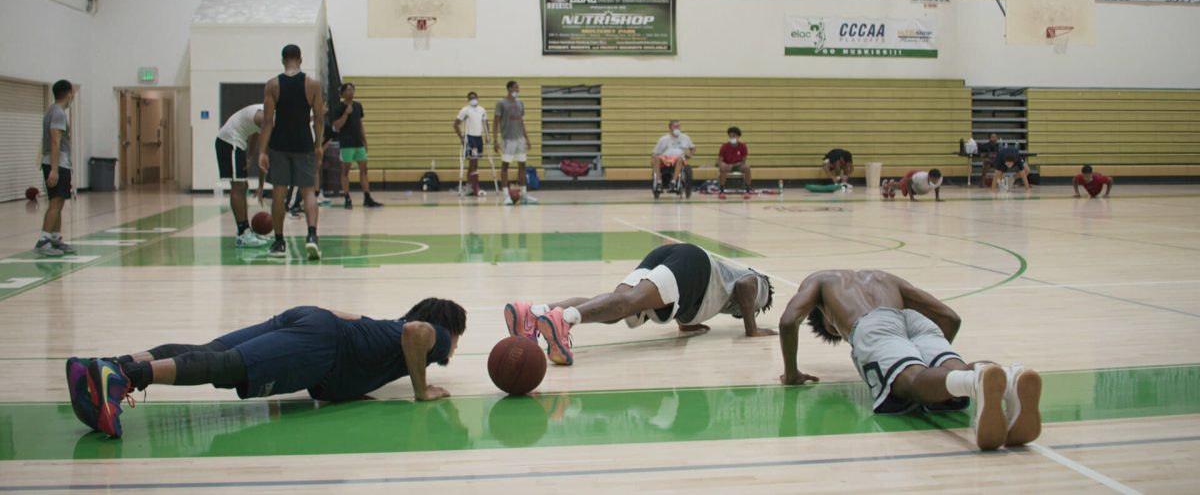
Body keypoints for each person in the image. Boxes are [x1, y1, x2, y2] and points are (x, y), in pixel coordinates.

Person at [65, 298, 466, 438]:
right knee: (226, 367)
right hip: (322, 342)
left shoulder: (383, 331)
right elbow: (417, 332)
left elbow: (345, 322)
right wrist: (422, 390)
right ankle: (122, 379)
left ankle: (103, 367)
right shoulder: (436, 335)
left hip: (310, 321)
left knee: (209, 351)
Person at [777, 269, 1042, 451]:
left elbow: (789, 321)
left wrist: (791, 374)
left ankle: (973, 382)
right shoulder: (884, 277)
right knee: (953, 370)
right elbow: (950, 317)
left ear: (827, 321)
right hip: (913, 320)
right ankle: (1009, 378)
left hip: (873, 326)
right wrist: (934, 374)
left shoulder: (820, 281)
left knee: (910, 381)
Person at [503, 243, 776, 366]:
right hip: (695, 265)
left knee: (617, 308)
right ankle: (564, 320)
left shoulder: (719, 291)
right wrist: (752, 329)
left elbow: (694, 298)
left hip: (682, 260)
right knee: (628, 302)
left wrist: (687, 324)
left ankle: (534, 312)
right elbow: (747, 286)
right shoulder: (760, 286)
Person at [259, 44, 325, 260]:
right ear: (301, 59)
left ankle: (279, 242)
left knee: (279, 193)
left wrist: (262, 151)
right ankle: (312, 237)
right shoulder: (313, 84)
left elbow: (267, 122)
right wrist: (318, 146)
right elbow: (319, 119)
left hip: (279, 144)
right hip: (304, 143)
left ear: (282, 60)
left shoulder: (272, 85)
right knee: (308, 192)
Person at [215, 104, 269, 247]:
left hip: (235, 142)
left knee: (242, 185)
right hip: (229, 142)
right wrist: (261, 187)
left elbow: (255, 134)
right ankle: (243, 233)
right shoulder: (267, 118)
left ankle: (245, 231)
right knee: (238, 186)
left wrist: (250, 156)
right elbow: (264, 159)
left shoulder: (266, 113)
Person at [34, 80, 76, 256]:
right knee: (55, 202)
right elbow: (55, 141)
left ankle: (55, 238)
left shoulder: (52, 111)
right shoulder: (58, 113)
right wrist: (55, 169)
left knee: (59, 201)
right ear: (69, 93)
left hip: (58, 162)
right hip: (57, 163)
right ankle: (43, 241)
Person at [333, 83, 382, 209]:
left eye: (352, 89)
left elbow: (360, 124)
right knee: (345, 171)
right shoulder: (339, 108)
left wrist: (365, 141)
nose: (351, 92)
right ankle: (347, 198)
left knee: (364, 170)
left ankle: (367, 197)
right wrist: (346, 114)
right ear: (343, 93)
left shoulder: (358, 106)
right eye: (348, 90)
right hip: (346, 145)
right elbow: (337, 126)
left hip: (358, 143)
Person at [493, 81, 536, 205]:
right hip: (507, 139)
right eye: (516, 87)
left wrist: (527, 138)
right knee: (505, 167)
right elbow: (495, 122)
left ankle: (524, 195)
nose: (518, 89)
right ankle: (506, 195)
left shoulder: (520, 103)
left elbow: (521, 122)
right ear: (509, 88)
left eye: (518, 87)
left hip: (519, 139)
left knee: (522, 165)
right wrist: (495, 140)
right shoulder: (501, 103)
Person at [454, 91, 489, 197]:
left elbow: (486, 123)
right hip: (470, 138)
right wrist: (461, 137)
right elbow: (456, 124)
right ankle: (475, 187)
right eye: (470, 98)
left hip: (479, 138)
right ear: (468, 100)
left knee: (473, 163)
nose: (473, 99)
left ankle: (469, 186)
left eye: (474, 97)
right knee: (473, 163)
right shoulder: (465, 110)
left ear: (477, 97)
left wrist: (488, 136)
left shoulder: (482, 110)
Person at [652, 120, 695, 192]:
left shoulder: (685, 137)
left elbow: (693, 148)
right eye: (675, 126)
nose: (677, 128)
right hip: (666, 159)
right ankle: (659, 182)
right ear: (670, 128)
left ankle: (673, 182)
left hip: (678, 159)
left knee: (680, 159)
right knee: (657, 158)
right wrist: (653, 160)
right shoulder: (664, 139)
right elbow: (655, 152)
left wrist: (690, 154)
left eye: (678, 126)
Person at [717, 126, 752, 199]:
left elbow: (743, 161)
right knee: (722, 168)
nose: (732, 137)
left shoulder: (743, 146)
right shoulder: (724, 146)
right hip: (727, 165)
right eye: (730, 136)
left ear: (738, 136)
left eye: (734, 136)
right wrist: (723, 164)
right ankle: (722, 191)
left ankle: (748, 190)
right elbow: (719, 160)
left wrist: (732, 165)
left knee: (747, 168)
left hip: (738, 165)